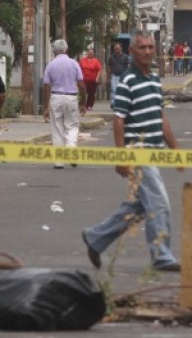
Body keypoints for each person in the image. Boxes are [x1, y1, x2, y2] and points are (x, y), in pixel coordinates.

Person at [81, 30, 182, 272]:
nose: (147, 51)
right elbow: (119, 120)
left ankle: (96, 237)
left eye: (150, 47)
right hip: (137, 152)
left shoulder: (154, 80)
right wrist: (121, 156)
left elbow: (161, 116)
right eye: (142, 48)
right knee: (159, 203)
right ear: (131, 51)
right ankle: (161, 255)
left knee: (139, 206)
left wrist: (176, 149)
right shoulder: (127, 81)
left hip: (153, 152)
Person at [43, 39, 87, 169]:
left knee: (57, 128)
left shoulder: (50, 65)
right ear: (66, 50)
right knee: (71, 126)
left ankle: (59, 161)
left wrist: (45, 106)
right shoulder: (74, 64)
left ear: (54, 51)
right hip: (71, 97)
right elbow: (81, 84)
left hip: (55, 96)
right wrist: (83, 102)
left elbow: (46, 86)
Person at [107, 43, 129, 108]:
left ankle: (121, 103)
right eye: (116, 49)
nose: (117, 50)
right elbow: (109, 67)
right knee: (113, 89)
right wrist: (108, 76)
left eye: (118, 48)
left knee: (122, 90)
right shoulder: (111, 57)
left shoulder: (125, 57)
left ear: (121, 49)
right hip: (114, 75)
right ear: (114, 49)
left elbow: (127, 67)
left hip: (122, 76)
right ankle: (113, 103)